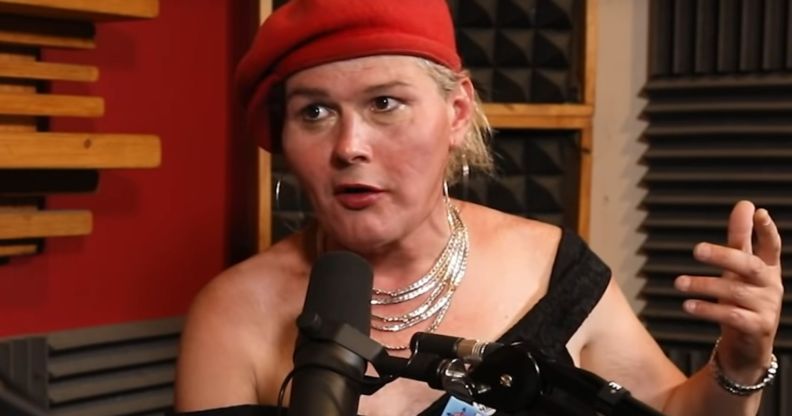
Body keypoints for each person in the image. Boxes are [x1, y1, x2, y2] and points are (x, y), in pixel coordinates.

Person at [174, 0, 784, 415]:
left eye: (385, 103)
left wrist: (740, 361)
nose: (349, 147)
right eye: (314, 112)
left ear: (457, 114)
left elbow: (674, 409)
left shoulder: (553, 270)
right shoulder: (233, 317)